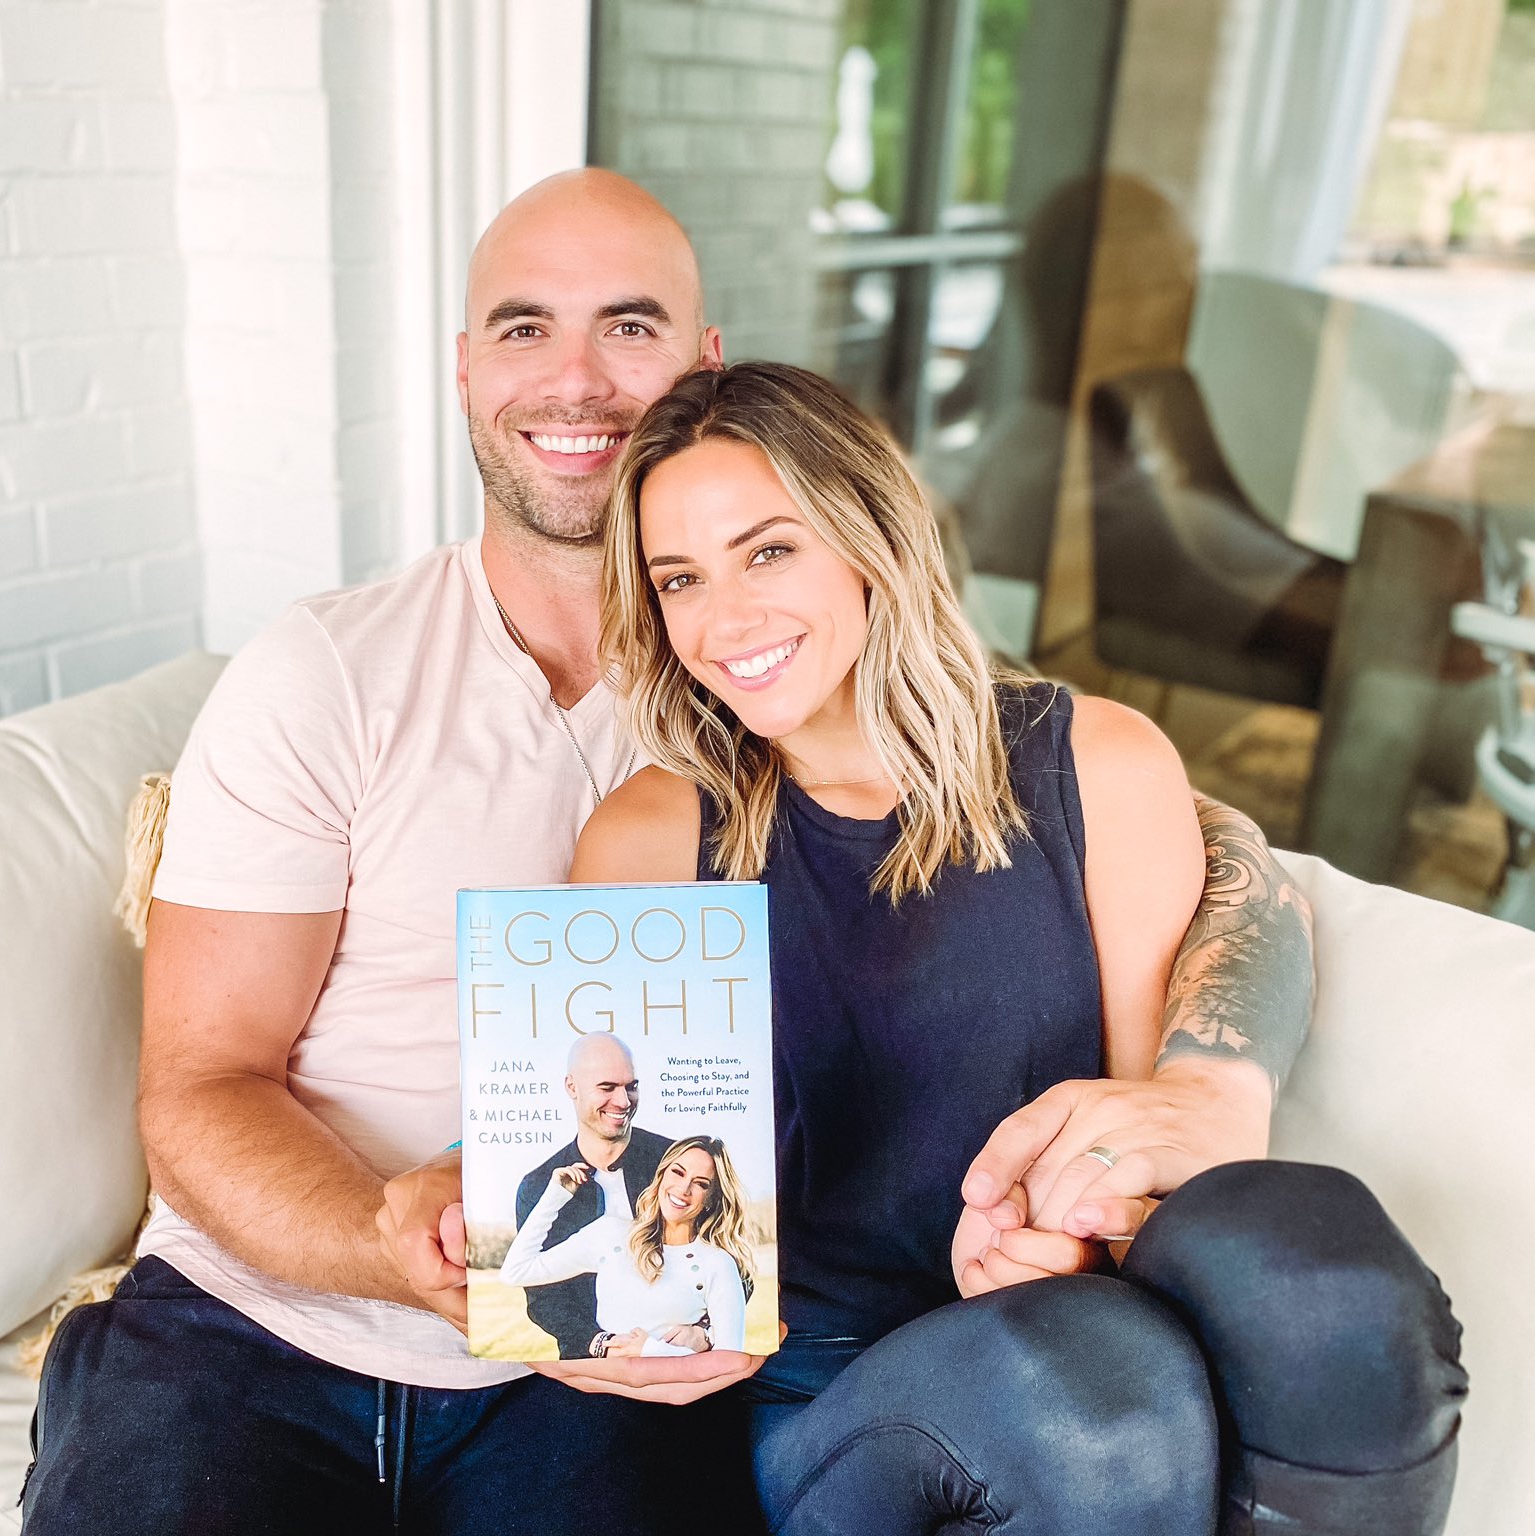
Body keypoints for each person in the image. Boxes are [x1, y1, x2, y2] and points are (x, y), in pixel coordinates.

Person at [21, 169, 1322, 1536]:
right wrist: (379, 1240)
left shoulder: (782, 662)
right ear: (466, 372)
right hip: (262, 1331)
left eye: (628, 327)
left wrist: (1215, 1079)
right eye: (525, 329)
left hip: (605, 1355)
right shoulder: (330, 672)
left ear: (706, 366)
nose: (575, 379)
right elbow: (196, 1090)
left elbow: (1177, 837)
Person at [569, 358, 1466, 1535]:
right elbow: (625, 1186)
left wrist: (1073, 1235)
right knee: (1083, 1395)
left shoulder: (1097, 765)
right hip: (830, 1392)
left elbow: (1145, 1141)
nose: (722, 619)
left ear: (869, 536)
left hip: (1095, 1331)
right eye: (678, 578)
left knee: (1323, 1273)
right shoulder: (650, 836)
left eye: (768, 550)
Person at [504, 1135, 753, 1359]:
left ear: (711, 1199)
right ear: (662, 1175)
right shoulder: (610, 1234)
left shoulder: (718, 1263)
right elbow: (516, 1271)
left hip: (674, 1395)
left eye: (701, 1183)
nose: (684, 1189)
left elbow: (727, 1360)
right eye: (677, 1172)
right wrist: (555, 1195)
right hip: (601, 1387)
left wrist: (654, 1349)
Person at [512, 1034, 672, 1358]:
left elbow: (729, 1255)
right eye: (607, 1087)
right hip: (590, 1365)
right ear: (572, 1087)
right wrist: (600, 1344)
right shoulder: (538, 1186)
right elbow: (544, 1298)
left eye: (631, 1086)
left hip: (683, 1351)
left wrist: (699, 1331)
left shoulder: (676, 1162)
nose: (624, 1101)